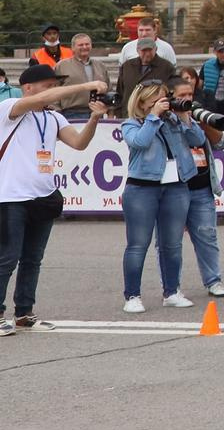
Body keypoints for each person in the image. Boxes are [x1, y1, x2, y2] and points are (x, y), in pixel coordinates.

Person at [1, 61, 105, 334]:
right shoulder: (9, 109)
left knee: (33, 259)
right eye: (48, 85)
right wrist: (84, 86)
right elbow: (42, 99)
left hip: (43, 196)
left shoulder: (54, 118)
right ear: (28, 88)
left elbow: (79, 143)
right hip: (11, 197)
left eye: (54, 86)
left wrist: (94, 118)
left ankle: (24, 312)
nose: (54, 91)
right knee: (7, 258)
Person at [116, 79, 205, 314]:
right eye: (157, 99)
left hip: (176, 186)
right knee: (138, 244)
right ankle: (132, 295)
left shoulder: (174, 121)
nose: (163, 103)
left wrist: (185, 118)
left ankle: (172, 292)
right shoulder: (131, 124)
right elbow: (140, 142)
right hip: (142, 189)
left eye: (164, 98)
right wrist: (154, 117)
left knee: (172, 244)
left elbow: (198, 141)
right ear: (143, 102)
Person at [170, 66, 224, 300]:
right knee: (171, 241)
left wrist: (203, 123)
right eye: (181, 96)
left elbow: (221, 143)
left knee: (207, 235)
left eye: (189, 95)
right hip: (174, 188)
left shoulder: (200, 114)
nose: (187, 100)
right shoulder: (164, 120)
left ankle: (213, 280)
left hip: (201, 186)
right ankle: (172, 287)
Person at [114, 20, 179, 106]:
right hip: (129, 110)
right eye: (141, 30)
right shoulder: (127, 64)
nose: (144, 33)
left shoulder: (167, 62)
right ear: (137, 50)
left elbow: (173, 88)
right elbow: (120, 91)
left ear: (156, 49)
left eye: (147, 30)